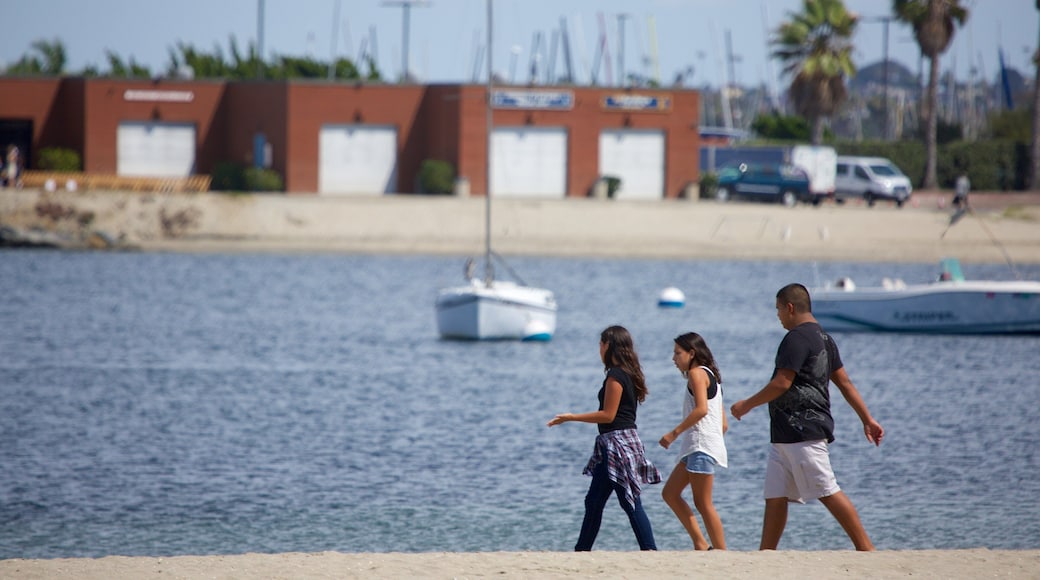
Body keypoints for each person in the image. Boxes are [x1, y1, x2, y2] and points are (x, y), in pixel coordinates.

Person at [730, 283, 884, 551]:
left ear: (790, 308)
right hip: (784, 434)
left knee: (827, 490)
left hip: (803, 431)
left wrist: (747, 405)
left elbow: (782, 382)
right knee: (775, 496)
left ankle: (866, 548)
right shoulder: (824, 338)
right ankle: (766, 553)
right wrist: (867, 419)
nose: (778, 315)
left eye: (778, 309)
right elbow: (845, 383)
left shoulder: (796, 338)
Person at [548, 325, 660, 551]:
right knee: (594, 501)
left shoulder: (616, 376)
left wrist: (571, 417)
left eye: (601, 344)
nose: (599, 348)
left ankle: (650, 550)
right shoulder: (628, 372)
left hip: (617, 444)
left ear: (609, 346)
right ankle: (582, 550)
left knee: (629, 501)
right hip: (615, 443)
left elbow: (608, 415)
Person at [658, 332, 728, 551]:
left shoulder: (696, 374)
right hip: (697, 447)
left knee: (703, 503)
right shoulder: (711, 375)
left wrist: (674, 433)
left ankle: (721, 551)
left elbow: (701, 410)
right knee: (670, 493)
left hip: (699, 446)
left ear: (692, 353)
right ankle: (700, 543)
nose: (674, 358)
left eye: (677, 353)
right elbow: (723, 424)